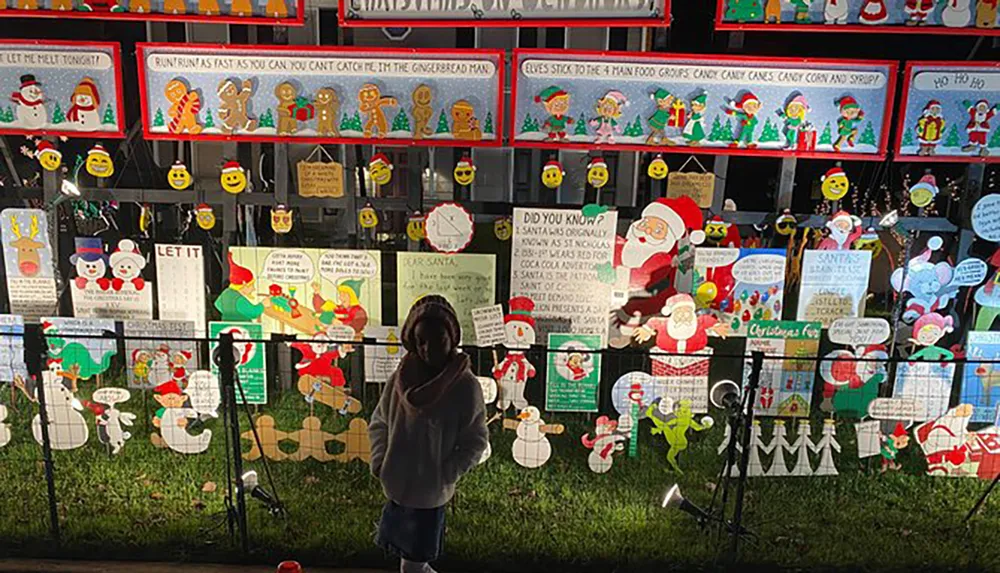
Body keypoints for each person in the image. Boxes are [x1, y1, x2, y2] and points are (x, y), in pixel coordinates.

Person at [369, 295, 488, 573]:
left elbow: (475, 438)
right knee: (410, 560)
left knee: (413, 563)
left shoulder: (464, 386)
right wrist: (379, 460)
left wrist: (447, 472)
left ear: (452, 338)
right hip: (398, 483)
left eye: (438, 340)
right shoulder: (401, 379)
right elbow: (380, 421)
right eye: (421, 341)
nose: (428, 349)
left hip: (430, 490)